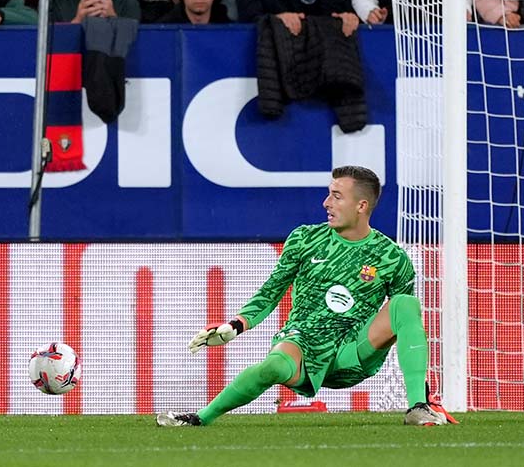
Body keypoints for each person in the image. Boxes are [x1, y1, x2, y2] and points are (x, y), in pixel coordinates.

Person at [156, 166, 450, 427]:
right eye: (328, 194)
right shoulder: (305, 238)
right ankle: (199, 417)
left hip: (354, 351)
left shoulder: (391, 257)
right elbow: (272, 289)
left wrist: (421, 389)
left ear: (361, 205)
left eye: (336, 196)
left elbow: (407, 324)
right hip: (303, 344)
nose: (326, 202)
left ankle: (418, 407)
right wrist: (236, 325)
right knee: (273, 366)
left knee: (406, 303)